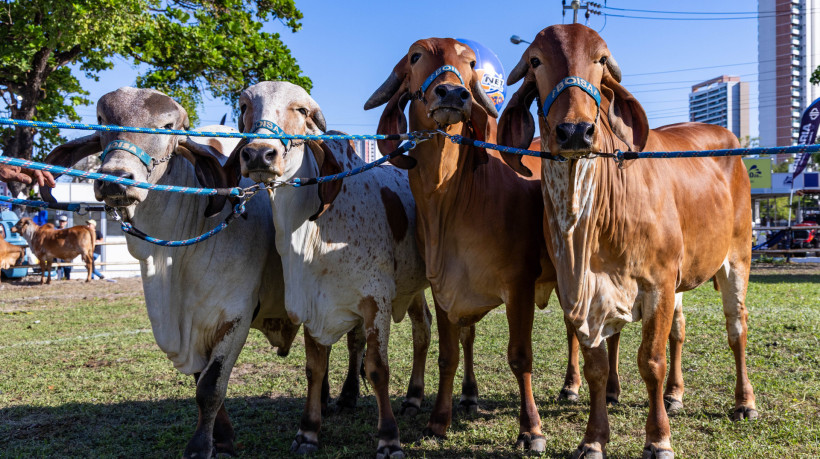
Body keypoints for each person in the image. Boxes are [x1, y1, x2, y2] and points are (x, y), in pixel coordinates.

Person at [55, 215, 72, 280]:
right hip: (58, 251)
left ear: (66, 222)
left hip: (67, 252)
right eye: (60, 221)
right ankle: (60, 280)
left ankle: (67, 280)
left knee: (67, 268)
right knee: (59, 267)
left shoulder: (69, 231)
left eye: (63, 221)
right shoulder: (55, 230)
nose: (62, 223)